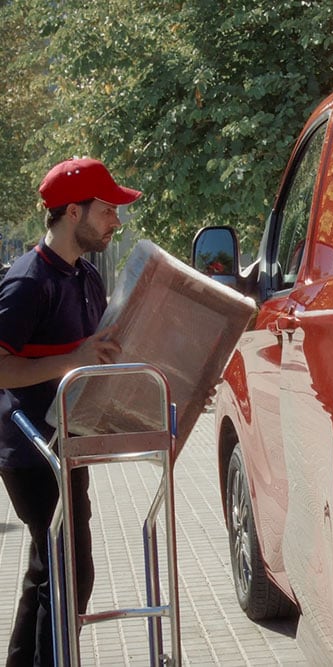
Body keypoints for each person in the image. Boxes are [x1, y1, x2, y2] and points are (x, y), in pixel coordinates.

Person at [0, 157, 140, 666]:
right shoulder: (27, 282)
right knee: (67, 572)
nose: (116, 222)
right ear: (73, 213)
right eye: (107, 211)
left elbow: (97, 356)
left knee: (48, 570)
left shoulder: (85, 276)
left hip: (68, 442)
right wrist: (72, 360)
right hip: (30, 449)